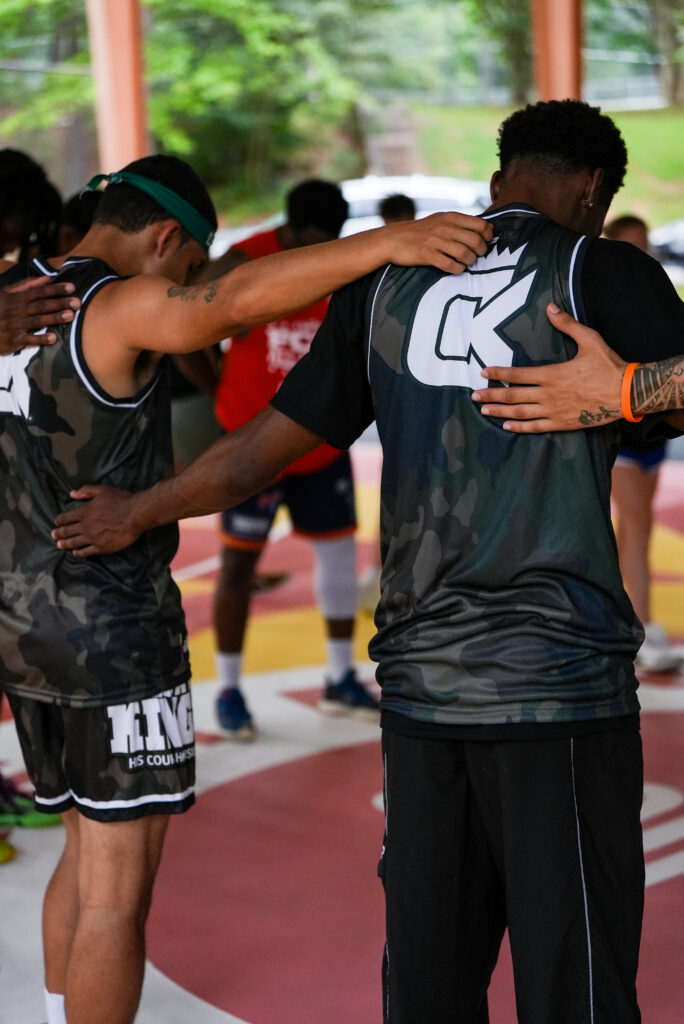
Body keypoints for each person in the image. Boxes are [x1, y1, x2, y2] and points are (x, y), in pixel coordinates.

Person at [51, 100, 684, 1023]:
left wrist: (136, 510)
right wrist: (626, 387)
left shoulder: (388, 283)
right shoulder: (601, 268)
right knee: (575, 989)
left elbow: (258, 448)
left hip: (421, 695)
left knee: (427, 989)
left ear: (499, 178)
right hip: (559, 689)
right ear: (593, 190)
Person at [0, 152, 490, 1024]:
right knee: (115, 892)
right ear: (164, 238)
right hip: (109, 637)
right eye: (190, 261)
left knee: (81, 848)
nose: (189, 279)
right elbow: (228, 305)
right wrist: (389, 243)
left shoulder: (15, 298)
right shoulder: (115, 303)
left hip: (18, 629)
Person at [205, 179, 380, 739]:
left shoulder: (341, 261)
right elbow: (191, 322)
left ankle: (340, 677)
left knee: (339, 556)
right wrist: (216, 387)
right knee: (238, 566)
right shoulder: (244, 262)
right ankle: (229, 689)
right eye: (311, 239)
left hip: (320, 437)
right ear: (290, 227)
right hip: (253, 442)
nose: (320, 248)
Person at [603, 215, 680, 672]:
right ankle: (643, 628)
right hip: (621, 430)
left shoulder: (654, 292)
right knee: (635, 523)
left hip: (653, 431)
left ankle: (617, 616)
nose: (642, 253)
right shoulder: (603, 295)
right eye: (632, 246)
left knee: (636, 527)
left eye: (645, 245)